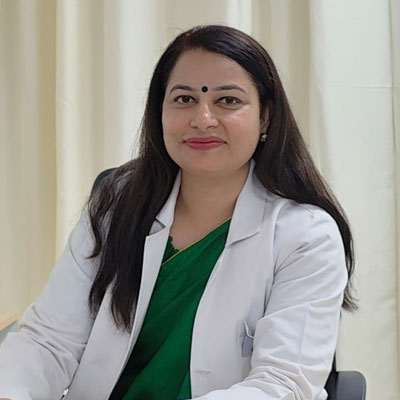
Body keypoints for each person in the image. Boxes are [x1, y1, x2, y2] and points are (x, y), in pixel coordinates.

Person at [0, 25, 356, 400]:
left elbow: (282, 384)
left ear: (265, 117)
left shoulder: (306, 235)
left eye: (228, 100)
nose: (203, 119)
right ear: (160, 112)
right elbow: (49, 341)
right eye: (184, 99)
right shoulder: (116, 202)